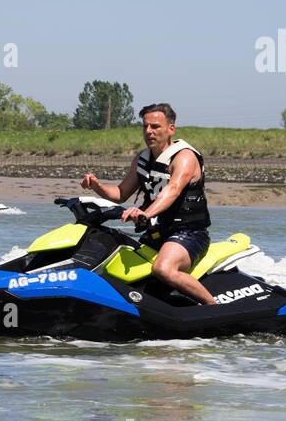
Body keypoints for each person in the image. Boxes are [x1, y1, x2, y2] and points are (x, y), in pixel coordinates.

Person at [79, 103, 214, 305]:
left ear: (171, 129)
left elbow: (172, 190)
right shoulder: (142, 159)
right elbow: (120, 193)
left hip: (189, 233)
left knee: (163, 269)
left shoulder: (184, 157)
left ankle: (212, 307)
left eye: (155, 126)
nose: (149, 131)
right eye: (145, 127)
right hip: (157, 233)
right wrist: (96, 186)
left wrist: (145, 214)